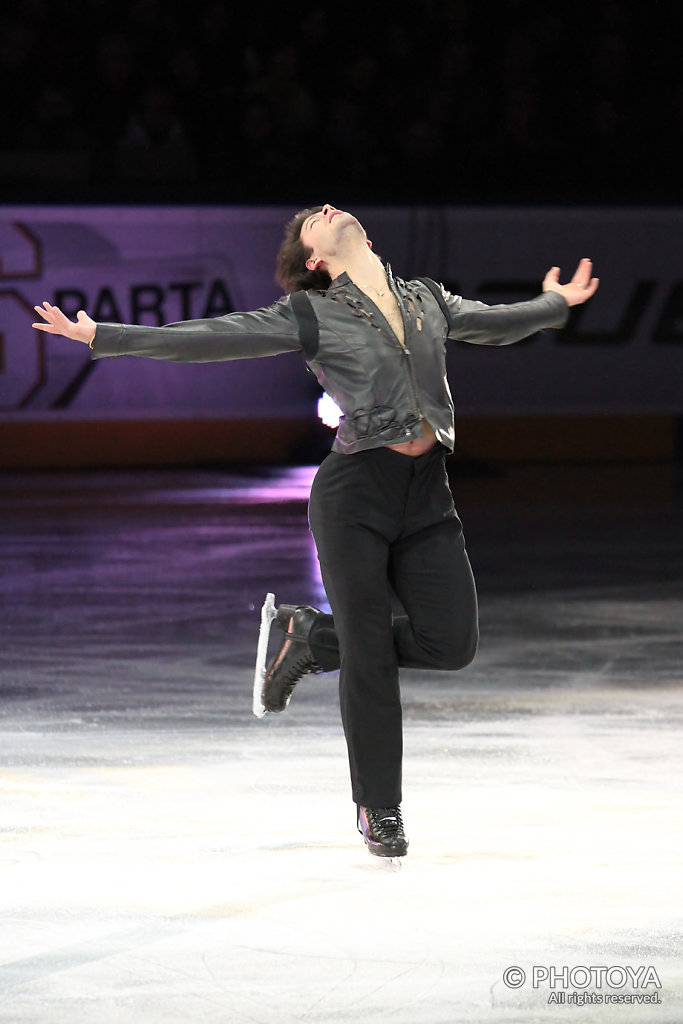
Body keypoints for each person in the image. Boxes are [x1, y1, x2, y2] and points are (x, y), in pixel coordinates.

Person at [33, 204, 598, 860]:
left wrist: (553, 303)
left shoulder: (425, 299)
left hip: (427, 497)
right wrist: (105, 335)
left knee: (451, 644)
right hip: (353, 497)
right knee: (370, 659)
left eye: (328, 208)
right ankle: (378, 808)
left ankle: (314, 635)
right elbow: (212, 336)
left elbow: (496, 325)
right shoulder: (312, 313)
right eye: (311, 220)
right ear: (314, 261)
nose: (326, 210)